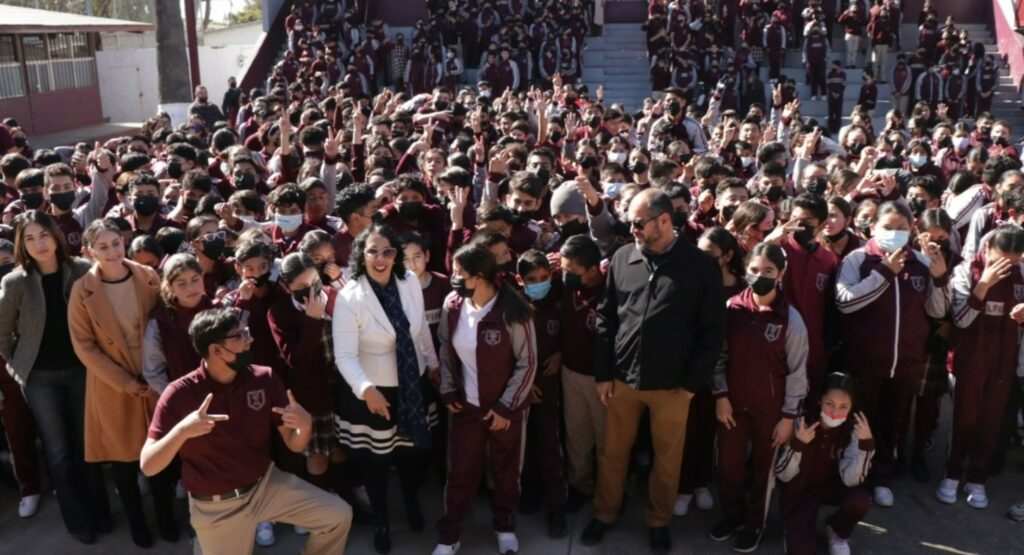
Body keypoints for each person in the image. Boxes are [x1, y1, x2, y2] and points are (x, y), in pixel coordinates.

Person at [140, 307, 353, 555]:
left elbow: (294, 444)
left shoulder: (264, 378)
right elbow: (148, 465)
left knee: (337, 516)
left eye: (246, 332)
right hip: (215, 506)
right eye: (239, 336)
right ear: (216, 350)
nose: (249, 340)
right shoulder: (178, 393)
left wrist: (305, 425)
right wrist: (182, 432)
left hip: (265, 486)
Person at [582, 188, 726, 553]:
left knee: (667, 459)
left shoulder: (699, 266)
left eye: (638, 223)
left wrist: (692, 384)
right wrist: (603, 373)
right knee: (613, 453)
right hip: (621, 382)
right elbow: (606, 319)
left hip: (674, 388)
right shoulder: (621, 259)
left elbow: (712, 332)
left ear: (664, 220)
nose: (633, 230)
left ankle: (658, 520)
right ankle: (605, 513)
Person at [67, 218, 177, 547]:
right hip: (112, 386)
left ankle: (167, 517)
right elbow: (84, 345)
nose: (112, 251)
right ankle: (137, 524)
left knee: (159, 455)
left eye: (115, 243)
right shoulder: (82, 290)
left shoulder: (147, 277)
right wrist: (124, 382)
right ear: (89, 251)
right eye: (102, 247)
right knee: (125, 464)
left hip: (152, 378)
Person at [0, 211, 107, 544]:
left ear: (56, 235)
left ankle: (100, 513)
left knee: (87, 446)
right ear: (21, 245)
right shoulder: (15, 282)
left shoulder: (82, 271)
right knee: (59, 452)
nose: (38, 244)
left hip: (82, 370)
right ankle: (78, 521)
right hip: (40, 378)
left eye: (43, 235)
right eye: (29, 239)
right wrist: (20, 365)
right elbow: (2, 334)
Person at [333, 223, 440, 554]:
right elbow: (345, 355)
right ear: (360, 255)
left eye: (388, 251)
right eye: (372, 251)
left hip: (413, 384)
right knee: (376, 461)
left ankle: (410, 500)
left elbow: (420, 330)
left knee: (412, 453)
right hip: (375, 392)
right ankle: (381, 519)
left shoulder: (408, 283)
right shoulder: (350, 296)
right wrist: (366, 390)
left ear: (396, 254)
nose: (380, 259)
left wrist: (434, 366)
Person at [835, 201, 949, 508]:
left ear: (912, 229)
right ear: (873, 227)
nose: (894, 234)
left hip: (906, 363)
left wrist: (940, 278)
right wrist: (884, 273)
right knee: (859, 420)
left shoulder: (921, 263)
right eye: (887, 227)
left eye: (901, 228)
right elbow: (845, 302)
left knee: (891, 422)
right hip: (864, 363)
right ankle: (852, 477)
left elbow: (937, 310)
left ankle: (881, 477)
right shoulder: (858, 259)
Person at [434, 243, 538, 555]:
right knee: (461, 472)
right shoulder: (453, 304)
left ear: (480, 278)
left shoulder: (513, 310)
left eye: (459, 274)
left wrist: (507, 406)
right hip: (467, 408)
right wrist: (449, 388)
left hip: (505, 411)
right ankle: (450, 534)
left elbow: (528, 362)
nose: (453, 279)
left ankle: (505, 526)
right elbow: (444, 347)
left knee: (506, 472)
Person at [710, 242, 809, 553]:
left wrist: (788, 417)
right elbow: (718, 358)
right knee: (728, 466)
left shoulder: (791, 319)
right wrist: (721, 395)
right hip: (732, 407)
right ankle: (731, 516)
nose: (760, 276)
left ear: (781, 273)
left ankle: (755, 524)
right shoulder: (731, 309)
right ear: (745, 270)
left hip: (771, 410)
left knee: (763, 471)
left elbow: (797, 372)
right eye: (754, 270)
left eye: (768, 271)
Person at [939, 226, 1024, 509]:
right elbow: (960, 319)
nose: (1004, 268)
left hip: (1003, 362)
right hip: (970, 359)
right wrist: (983, 285)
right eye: (998, 260)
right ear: (987, 250)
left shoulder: (1020, 274)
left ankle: (977, 478)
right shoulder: (966, 271)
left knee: (991, 424)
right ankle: (951, 474)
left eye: (1011, 262)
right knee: (965, 420)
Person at [775, 372, 875, 555]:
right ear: (820, 400)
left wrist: (865, 446)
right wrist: (797, 445)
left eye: (844, 406)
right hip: (801, 494)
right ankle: (794, 524)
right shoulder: (802, 422)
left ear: (851, 407)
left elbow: (851, 480)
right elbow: (782, 474)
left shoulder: (853, 429)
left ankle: (836, 530)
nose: (835, 413)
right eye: (830, 404)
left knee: (861, 500)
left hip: (832, 489)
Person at [557, 235, 608, 512]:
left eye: (571, 271)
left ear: (592, 270)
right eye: (563, 269)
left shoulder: (610, 292)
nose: (565, 275)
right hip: (571, 372)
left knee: (606, 440)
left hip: (601, 380)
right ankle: (580, 485)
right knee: (577, 436)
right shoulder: (565, 288)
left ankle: (609, 491)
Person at [143, 253, 215, 394]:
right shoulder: (160, 321)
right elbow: (153, 370)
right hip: (185, 398)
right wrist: (176, 396)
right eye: (182, 284)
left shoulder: (217, 309)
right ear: (170, 286)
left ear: (203, 277)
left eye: (195, 279)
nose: (191, 288)